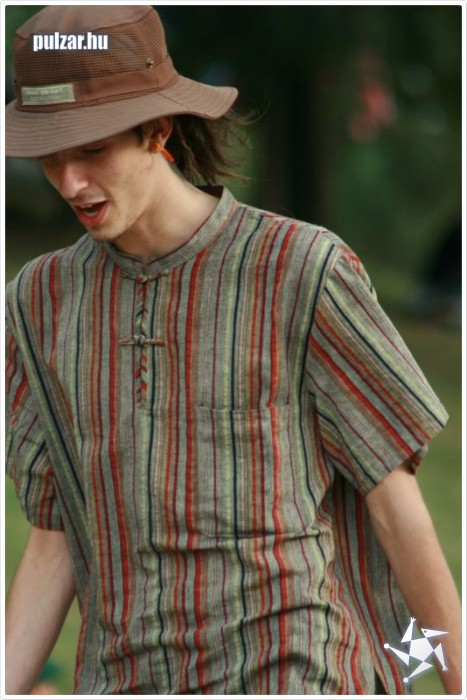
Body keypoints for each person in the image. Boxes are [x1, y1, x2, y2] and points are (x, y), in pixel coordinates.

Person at [4, 5, 462, 696]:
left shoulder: (301, 269)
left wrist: (453, 681)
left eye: (91, 150)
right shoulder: (39, 302)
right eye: (49, 155)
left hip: (295, 673)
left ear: (158, 130)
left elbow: (394, 508)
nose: (69, 181)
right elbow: (55, 534)